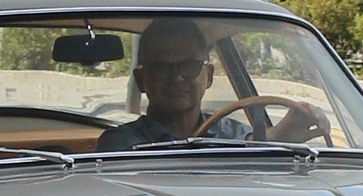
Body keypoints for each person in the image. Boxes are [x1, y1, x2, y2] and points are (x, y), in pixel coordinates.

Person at [99, 17, 321, 150]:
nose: (177, 77)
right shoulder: (119, 144)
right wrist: (272, 138)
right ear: (141, 80)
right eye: (161, 68)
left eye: (189, 66)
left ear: (210, 75)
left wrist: (295, 128)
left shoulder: (234, 132)